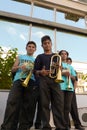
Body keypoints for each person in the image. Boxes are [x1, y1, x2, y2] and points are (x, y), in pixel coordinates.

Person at [0, 41, 37, 130]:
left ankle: (23, 127)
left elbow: (37, 73)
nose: (31, 48)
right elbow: (12, 69)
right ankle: (7, 127)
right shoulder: (20, 57)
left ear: (35, 49)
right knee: (12, 102)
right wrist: (20, 67)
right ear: (26, 48)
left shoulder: (36, 60)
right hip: (18, 80)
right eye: (29, 46)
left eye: (33, 47)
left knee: (27, 105)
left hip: (30, 81)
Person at [34, 35, 66, 130]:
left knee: (58, 104)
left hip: (55, 81)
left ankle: (60, 127)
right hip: (43, 81)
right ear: (42, 45)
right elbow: (34, 71)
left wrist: (60, 68)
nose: (47, 45)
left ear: (51, 44)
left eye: (48, 43)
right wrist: (40, 72)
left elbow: (60, 69)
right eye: (45, 43)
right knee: (44, 104)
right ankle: (46, 127)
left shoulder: (56, 56)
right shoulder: (39, 57)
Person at [59, 50, 77, 130]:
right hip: (60, 87)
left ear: (67, 55)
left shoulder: (70, 67)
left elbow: (75, 77)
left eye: (65, 54)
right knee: (60, 107)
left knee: (67, 107)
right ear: (60, 55)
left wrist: (70, 75)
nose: (63, 55)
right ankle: (61, 125)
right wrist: (63, 73)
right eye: (62, 54)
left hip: (69, 88)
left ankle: (66, 125)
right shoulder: (57, 64)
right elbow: (54, 73)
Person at [67, 57, 84, 130]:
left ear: (71, 63)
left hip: (71, 90)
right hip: (63, 90)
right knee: (65, 108)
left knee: (73, 107)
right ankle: (67, 125)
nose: (68, 62)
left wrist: (73, 89)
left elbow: (75, 81)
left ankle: (77, 124)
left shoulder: (73, 70)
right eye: (67, 61)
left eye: (69, 61)